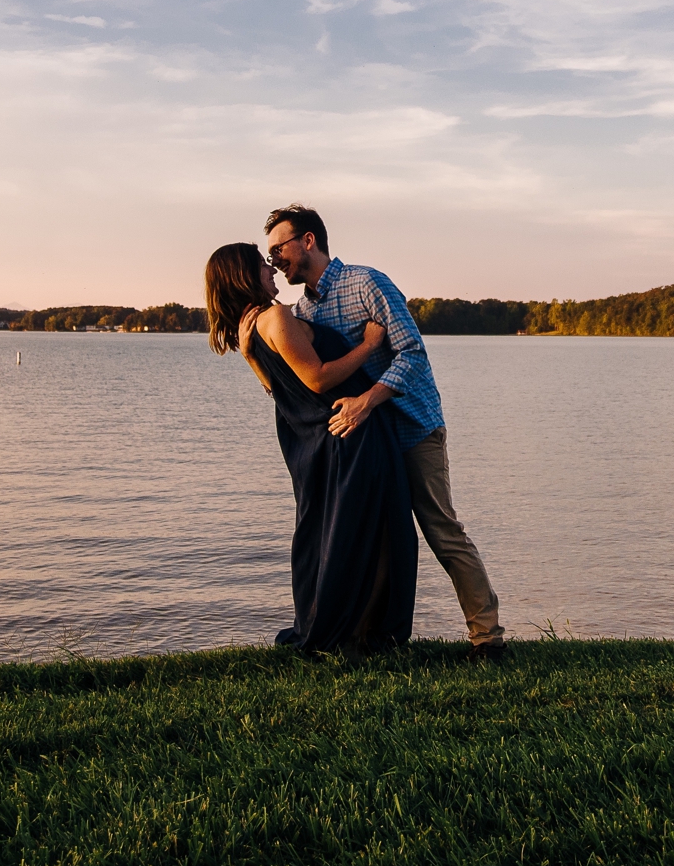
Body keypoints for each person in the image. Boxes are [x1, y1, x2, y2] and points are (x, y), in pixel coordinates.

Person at [262, 204, 507, 657]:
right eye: (270, 253)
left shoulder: (367, 282)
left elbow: (412, 352)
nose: (276, 259)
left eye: (280, 248)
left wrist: (365, 402)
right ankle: (368, 637)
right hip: (364, 447)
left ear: (309, 240)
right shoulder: (299, 311)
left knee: (441, 528)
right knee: (375, 541)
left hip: (411, 427)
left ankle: (488, 639)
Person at [203, 241, 416, 655]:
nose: (271, 269)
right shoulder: (276, 316)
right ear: (243, 275)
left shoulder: (252, 329)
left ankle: (348, 627)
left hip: (316, 439)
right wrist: (370, 344)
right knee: (371, 533)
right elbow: (317, 379)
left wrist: (250, 358)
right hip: (346, 434)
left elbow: (278, 387)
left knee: (334, 532)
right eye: (262, 264)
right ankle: (358, 633)